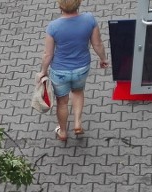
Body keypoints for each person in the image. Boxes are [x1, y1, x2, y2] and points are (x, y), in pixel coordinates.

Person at [37, 0, 109, 141]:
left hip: (60, 72)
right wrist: (103, 59)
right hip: (81, 68)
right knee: (78, 92)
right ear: (79, 3)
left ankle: (63, 132)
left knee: (62, 102)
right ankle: (77, 123)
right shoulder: (89, 20)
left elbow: (48, 54)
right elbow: (97, 43)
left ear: (60, 6)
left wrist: (43, 71)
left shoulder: (53, 27)